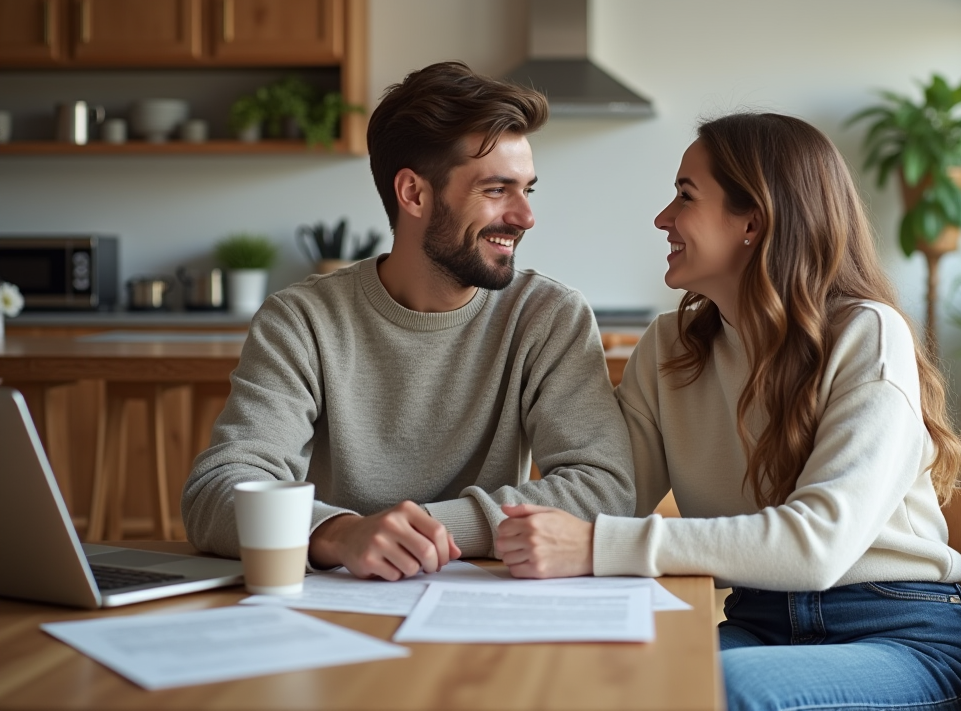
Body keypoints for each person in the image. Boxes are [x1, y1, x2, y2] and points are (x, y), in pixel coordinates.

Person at [495, 113, 961, 711]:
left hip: (896, 635)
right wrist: (453, 523)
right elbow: (611, 496)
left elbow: (817, 546)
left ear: (752, 220)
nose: (662, 218)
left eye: (685, 195)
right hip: (758, 625)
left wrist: (596, 546)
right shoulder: (669, 348)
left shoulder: (865, 334)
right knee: (605, 682)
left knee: (719, 691)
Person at [183, 61, 635, 579]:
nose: (525, 217)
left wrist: (428, 528)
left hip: (491, 607)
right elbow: (216, 491)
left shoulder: (547, 317)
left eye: (527, 190)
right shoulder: (302, 320)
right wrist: (339, 533)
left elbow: (605, 488)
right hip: (339, 608)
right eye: (496, 190)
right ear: (414, 194)